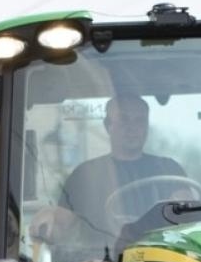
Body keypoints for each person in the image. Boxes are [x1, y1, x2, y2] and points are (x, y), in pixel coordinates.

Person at [59, 94, 188, 228]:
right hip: (102, 248)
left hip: (159, 248)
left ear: (147, 126)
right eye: (123, 120)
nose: (132, 128)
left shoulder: (168, 170)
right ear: (107, 126)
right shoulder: (84, 175)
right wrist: (48, 221)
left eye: (140, 121)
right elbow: (59, 224)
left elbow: (185, 211)